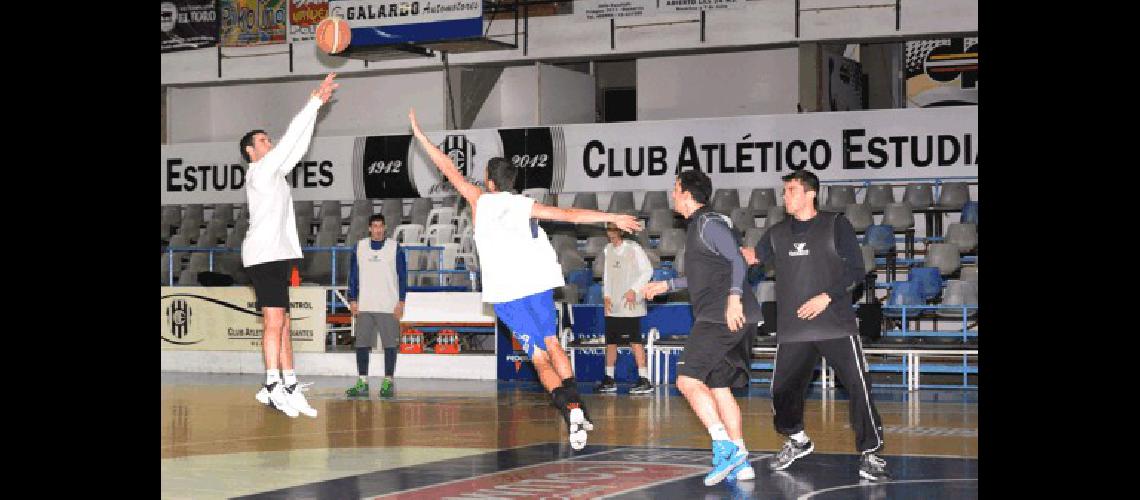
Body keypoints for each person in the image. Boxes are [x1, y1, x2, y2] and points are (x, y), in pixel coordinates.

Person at [408, 108, 641, 450]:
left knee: (538, 359)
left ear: (489, 181)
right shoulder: (525, 204)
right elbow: (571, 216)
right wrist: (612, 217)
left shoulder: (479, 200)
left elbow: (447, 167)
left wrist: (421, 137)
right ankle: (578, 407)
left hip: (507, 293)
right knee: (553, 346)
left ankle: (570, 410)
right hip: (537, 286)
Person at [740, 170, 890, 481]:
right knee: (781, 392)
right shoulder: (777, 232)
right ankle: (797, 439)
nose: (785, 197)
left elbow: (857, 271)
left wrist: (827, 297)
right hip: (794, 329)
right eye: (785, 191)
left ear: (810, 194)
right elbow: (755, 257)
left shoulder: (836, 224)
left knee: (858, 387)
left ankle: (870, 453)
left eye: (791, 190)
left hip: (835, 324)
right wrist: (737, 255)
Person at [641, 170, 762, 486]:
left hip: (723, 317)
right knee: (719, 388)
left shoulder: (708, 223)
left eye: (674, 189)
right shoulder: (703, 226)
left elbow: (738, 260)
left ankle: (723, 447)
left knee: (686, 379)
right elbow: (705, 275)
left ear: (683, 191)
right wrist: (666, 285)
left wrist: (733, 299)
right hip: (738, 317)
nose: (671, 195)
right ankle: (742, 460)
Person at [245, 73, 338, 418]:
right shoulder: (258, 173)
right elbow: (287, 145)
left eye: (269, 140)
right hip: (264, 255)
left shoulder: (275, 173)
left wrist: (317, 110)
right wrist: (314, 100)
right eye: (263, 141)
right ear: (251, 151)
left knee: (283, 323)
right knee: (273, 322)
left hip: (278, 254)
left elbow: (296, 147)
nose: (270, 143)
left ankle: (290, 383)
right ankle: (271, 388)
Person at [345, 213, 408, 399]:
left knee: (390, 345)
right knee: (362, 345)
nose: (378, 230)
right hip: (365, 304)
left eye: (381, 226)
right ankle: (362, 382)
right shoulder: (359, 247)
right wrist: (353, 299)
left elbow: (403, 276)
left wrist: (402, 301)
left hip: (388, 305)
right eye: (375, 226)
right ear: (369, 228)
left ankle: (388, 381)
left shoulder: (395, 248)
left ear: (385, 228)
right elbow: (353, 276)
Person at [597, 222, 654, 394]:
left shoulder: (633, 248)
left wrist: (634, 290)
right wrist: (606, 295)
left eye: (614, 229)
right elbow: (607, 275)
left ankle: (645, 379)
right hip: (613, 302)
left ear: (621, 231)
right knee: (611, 342)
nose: (611, 233)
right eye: (609, 229)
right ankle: (609, 378)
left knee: (635, 340)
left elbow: (647, 271)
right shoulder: (607, 250)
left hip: (630, 302)